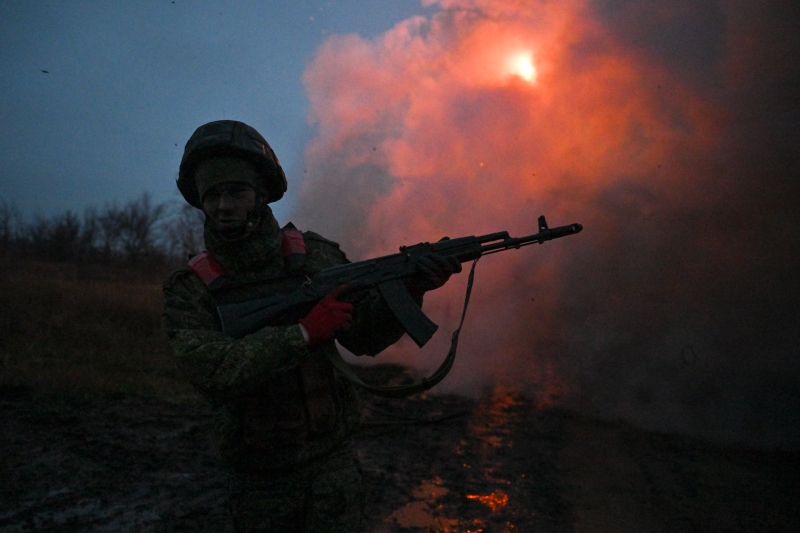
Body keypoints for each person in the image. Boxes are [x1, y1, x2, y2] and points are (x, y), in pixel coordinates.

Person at [162, 120, 461, 532]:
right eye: (211, 195)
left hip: (331, 471)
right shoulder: (193, 288)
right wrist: (302, 333)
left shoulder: (317, 257)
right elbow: (211, 371)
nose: (224, 206)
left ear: (261, 193)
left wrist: (410, 288)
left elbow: (365, 338)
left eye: (236, 191)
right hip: (259, 483)